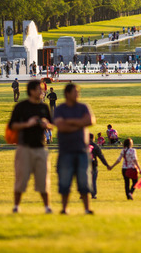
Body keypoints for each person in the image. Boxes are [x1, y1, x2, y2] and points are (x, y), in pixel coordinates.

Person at [8, 79, 54, 214]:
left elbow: (52, 125)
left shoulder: (43, 107)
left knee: (43, 179)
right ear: (32, 91)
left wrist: (46, 124)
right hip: (24, 147)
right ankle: (16, 206)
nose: (42, 91)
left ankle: (47, 207)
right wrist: (27, 124)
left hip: (41, 147)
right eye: (40, 89)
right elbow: (12, 125)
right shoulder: (21, 107)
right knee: (21, 179)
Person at [53, 83, 95, 214]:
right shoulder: (60, 109)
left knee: (84, 181)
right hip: (66, 150)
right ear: (67, 94)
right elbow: (61, 127)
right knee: (65, 181)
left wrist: (70, 121)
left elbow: (91, 121)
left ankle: (87, 209)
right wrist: (80, 124)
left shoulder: (83, 107)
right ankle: (65, 208)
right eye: (75, 92)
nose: (78, 95)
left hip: (82, 150)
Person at [88, 132, 110, 199]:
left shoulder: (82, 145)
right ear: (93, 138)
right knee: (93, 180)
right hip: (93, 164)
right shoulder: (95, 146)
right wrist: (106, 165)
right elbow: (101, 156)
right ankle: (93, 194)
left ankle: (83, 194)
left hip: (84, 165)